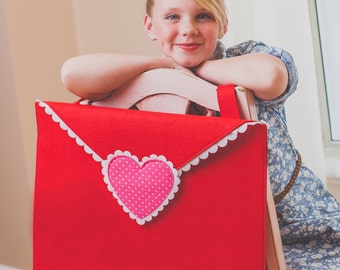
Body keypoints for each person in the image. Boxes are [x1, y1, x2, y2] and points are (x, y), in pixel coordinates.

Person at [61, 0, 340, 268]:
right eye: (172, 17)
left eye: (203, 16)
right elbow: (71, 74)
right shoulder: (141, 81)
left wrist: (194, 70)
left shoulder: (245, 59)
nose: (188, 29)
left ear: (224, 23)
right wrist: (162, 66)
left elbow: (270, 77)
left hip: (301, 227)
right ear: (149, 26)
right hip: (213, 242)